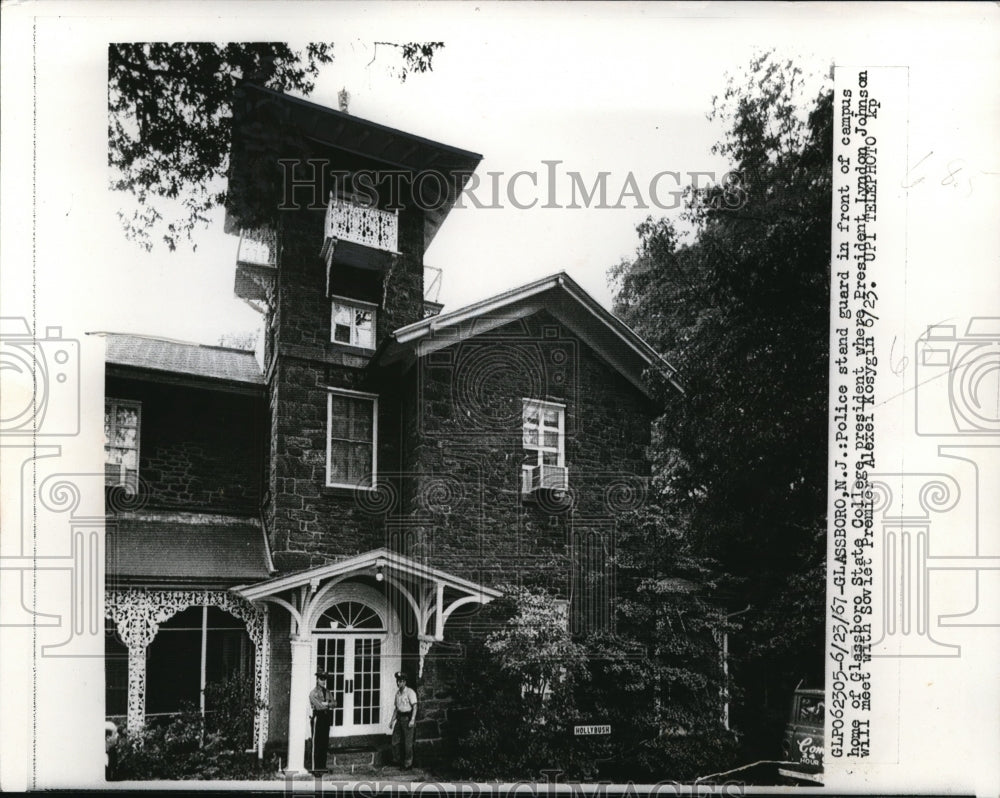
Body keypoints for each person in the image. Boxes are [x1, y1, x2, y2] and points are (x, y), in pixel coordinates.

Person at [389, 671, 418, 769]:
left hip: (408, 718)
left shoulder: (410, 692)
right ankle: (397, 760)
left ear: (405, 682)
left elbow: (415, 707)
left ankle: (408, 764)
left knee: (408, 743)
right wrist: (392, 721)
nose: (398, 683)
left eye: (401, 681)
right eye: (398, 681)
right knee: (395, 741)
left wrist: (412, 720)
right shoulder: (397, 694)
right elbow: (396, 709)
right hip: (399, 718)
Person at [309, 671, 336, 774]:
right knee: (317, 743)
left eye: (324, 679)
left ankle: (322, 766)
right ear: (317, 680)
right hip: (318, 718)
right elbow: (319, 706)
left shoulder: (327, 692)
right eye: (321, 679)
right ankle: (316, 769)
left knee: (324, 743)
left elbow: (334, 703)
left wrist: (327, 704)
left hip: (326, 718)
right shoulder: (313, 693)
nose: (323, 681)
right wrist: (328, 704)